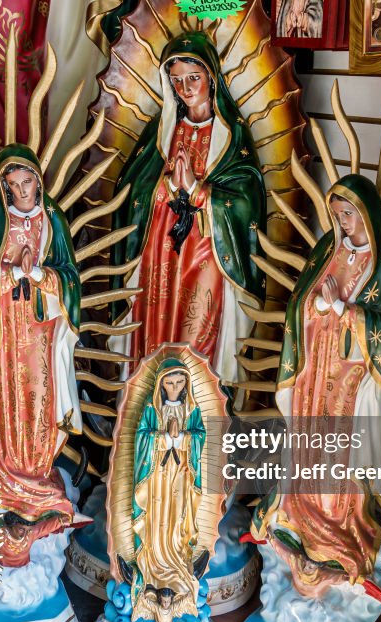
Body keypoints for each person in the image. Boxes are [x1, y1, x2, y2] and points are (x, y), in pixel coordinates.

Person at [249, 174, 381, 600]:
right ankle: (297, 519)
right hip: (315, 370)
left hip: (353, 378)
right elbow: (301, 302)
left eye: (350, 214)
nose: (344, 223)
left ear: (368, 217)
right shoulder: (329, 249)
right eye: (338, 215)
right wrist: (316, 307)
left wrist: (344, 309)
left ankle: (340, 529)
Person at [111, 32, 265, 384]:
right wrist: (164, 187)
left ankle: (196, 423)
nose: (185, 88)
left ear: (212, 77)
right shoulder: (163, 129)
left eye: (193, 78)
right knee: (155, 333)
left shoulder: (232, 137)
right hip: (159, 257)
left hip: (208, 257)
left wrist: (200, 191)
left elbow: (247, 203)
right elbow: (131, 189)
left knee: (196, 340)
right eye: (176, 80)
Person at [0, 145, 83, 567]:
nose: (21, 191)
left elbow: (70, 278)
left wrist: (44, 276)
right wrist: (12, 274)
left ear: (38, 180)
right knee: (7, 400)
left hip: (40, 330)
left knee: (39, 400)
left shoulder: (53, 221)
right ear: (3, 188)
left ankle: (35, 470)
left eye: (27, 182)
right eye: (12, 186)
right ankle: (3, 473)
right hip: (2, 335)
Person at [128, 358, 206, 622]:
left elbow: (199, 437)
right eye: (170, 383)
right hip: (156, 478)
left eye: (179, 382)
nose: (174, 388)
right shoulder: (152, 409)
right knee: (156, 521)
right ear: (161, 385)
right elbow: (141, 438)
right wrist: (163, 439)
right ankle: (152, 562)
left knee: (177, 519)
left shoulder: (191, 410)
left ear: (187, 384)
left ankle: (176, 561)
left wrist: (183, 439)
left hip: (180, 477)